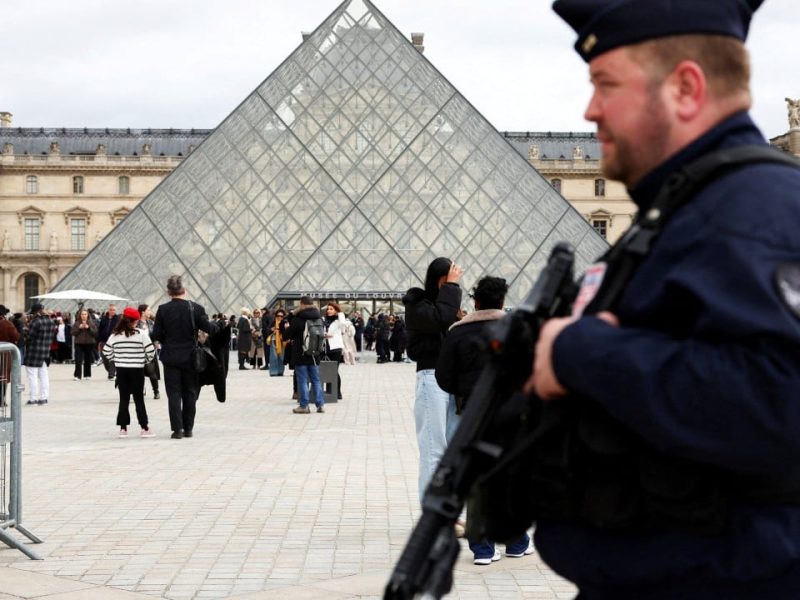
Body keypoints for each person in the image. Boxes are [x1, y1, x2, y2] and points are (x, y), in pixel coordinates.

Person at [520, 1, 800, 596]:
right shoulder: (687, 209)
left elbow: (781, 397)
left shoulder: (755, 210)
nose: (590, 108)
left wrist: (583, 352)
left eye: (606, 84)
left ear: (686, 88)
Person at [435, 276, 534, 564]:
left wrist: (464, 391)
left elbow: (444, 377)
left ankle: (483, 549)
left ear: (475, 302)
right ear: (503, 301)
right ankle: (516, 541)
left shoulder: (457, 333)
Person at [402, 257, 463, 502]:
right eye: (450, 279)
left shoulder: (442, 306)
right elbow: (441, 318)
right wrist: (452, 287)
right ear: (441, 279)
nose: (456, 282)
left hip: (450, 381)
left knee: (448, 450)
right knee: (433, 448)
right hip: (431, 378)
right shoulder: (417, 306)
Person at [151, 275, 218, 439]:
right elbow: (209, 328)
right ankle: (188, 428)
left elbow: (157, 335)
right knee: (190, 392)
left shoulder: (163, 309)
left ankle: (177, 429)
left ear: (168, 292)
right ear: (184, 290)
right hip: (190, 357)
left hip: (171, 357)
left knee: (173, 394)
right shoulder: (195, 308)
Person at [102, 307, 156, 438]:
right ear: (133, 321)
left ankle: (123, 429)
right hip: (137, 370)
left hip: (122, 371)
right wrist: (144, 360)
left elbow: (106, 351)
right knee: (139, 400)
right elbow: (151, 352)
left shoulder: (115, 335)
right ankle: (144, 427)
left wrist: (116, 359)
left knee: (123, 400)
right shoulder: (141, 334)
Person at [286, 296, 325, 414]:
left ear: (301, 304)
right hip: (314, 353)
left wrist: (291, 316)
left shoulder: (298, 319)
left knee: (302, 380)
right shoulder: (319, 318)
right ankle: (320, 404)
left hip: (301, 353)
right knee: (316, 380)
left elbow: (286, 335)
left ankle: (304, 405)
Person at [22, 302, 55, 405]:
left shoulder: (35, 322)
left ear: (36, 312)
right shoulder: (50, 321)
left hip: (34, 352)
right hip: (45, 352)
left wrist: (25, 330)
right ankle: (44, 398)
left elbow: (29, 338)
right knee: (44, 376)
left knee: (32, 376)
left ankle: (33, 399)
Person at [137, 304, 160, 399]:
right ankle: (141, 389)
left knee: (152, 372)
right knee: (139, 372)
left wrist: (156, 344)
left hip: (150, 351)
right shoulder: (136, 323)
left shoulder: (151, 323)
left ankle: (156, 391)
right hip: (139, 351)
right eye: (148, 310)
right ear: (143, 312)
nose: (150, 312)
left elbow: (154, 335)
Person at [323, 302, 345, 399]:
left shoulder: (339, 321)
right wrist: (325, 334)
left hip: (336, 347)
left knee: (334, 370)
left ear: (336, 310)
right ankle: (330, 391)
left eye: (331, 309)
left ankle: (338, 393)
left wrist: (340, 312)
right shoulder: (324, 320)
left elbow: (343, 323)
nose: (329, 311)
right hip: (325, 347)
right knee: (327, 370)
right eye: (328, 309)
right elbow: (321, 330)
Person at [0, 304, 20, 407]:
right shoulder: (6, 324)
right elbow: (16, 336)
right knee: (3, 377)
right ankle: (1, 400)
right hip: (4, 353)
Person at [72, 308, 98, 380]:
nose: (84, 316)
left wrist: (89, 328)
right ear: (80, 315)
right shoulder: (77, 323)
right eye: (82, 314)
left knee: (88, 360)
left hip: (89, 343)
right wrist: (79, 328)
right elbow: (73, 333)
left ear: (88, 315)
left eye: (85, 314)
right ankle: (77, 375)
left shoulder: (91, 323)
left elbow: (95, 333)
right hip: (79, 343)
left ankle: (87, 375)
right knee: (78, 360)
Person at [97, 304, 119, 380]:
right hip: (103, 341)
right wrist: (99, 340)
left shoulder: (117, 319)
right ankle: (110, 371)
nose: (112, 311)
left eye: (114, 310)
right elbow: (100, 329)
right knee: (104, 358)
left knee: (112, 357)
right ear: (108, 310)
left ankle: (111, 374)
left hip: (113, 341)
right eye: (111, 309)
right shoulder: (104, 318)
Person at [267, 308, 287, 376]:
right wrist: (272, 330)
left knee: (281, 357)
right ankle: (273, 372)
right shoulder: (273, 322)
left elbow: (287, 332)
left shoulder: (285, 323)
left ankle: (280, 371)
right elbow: (268, 330)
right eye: (278, 315)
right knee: (273, 356)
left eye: (281, 316)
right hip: (274, 340)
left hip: (282, 341)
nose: (279, 317)